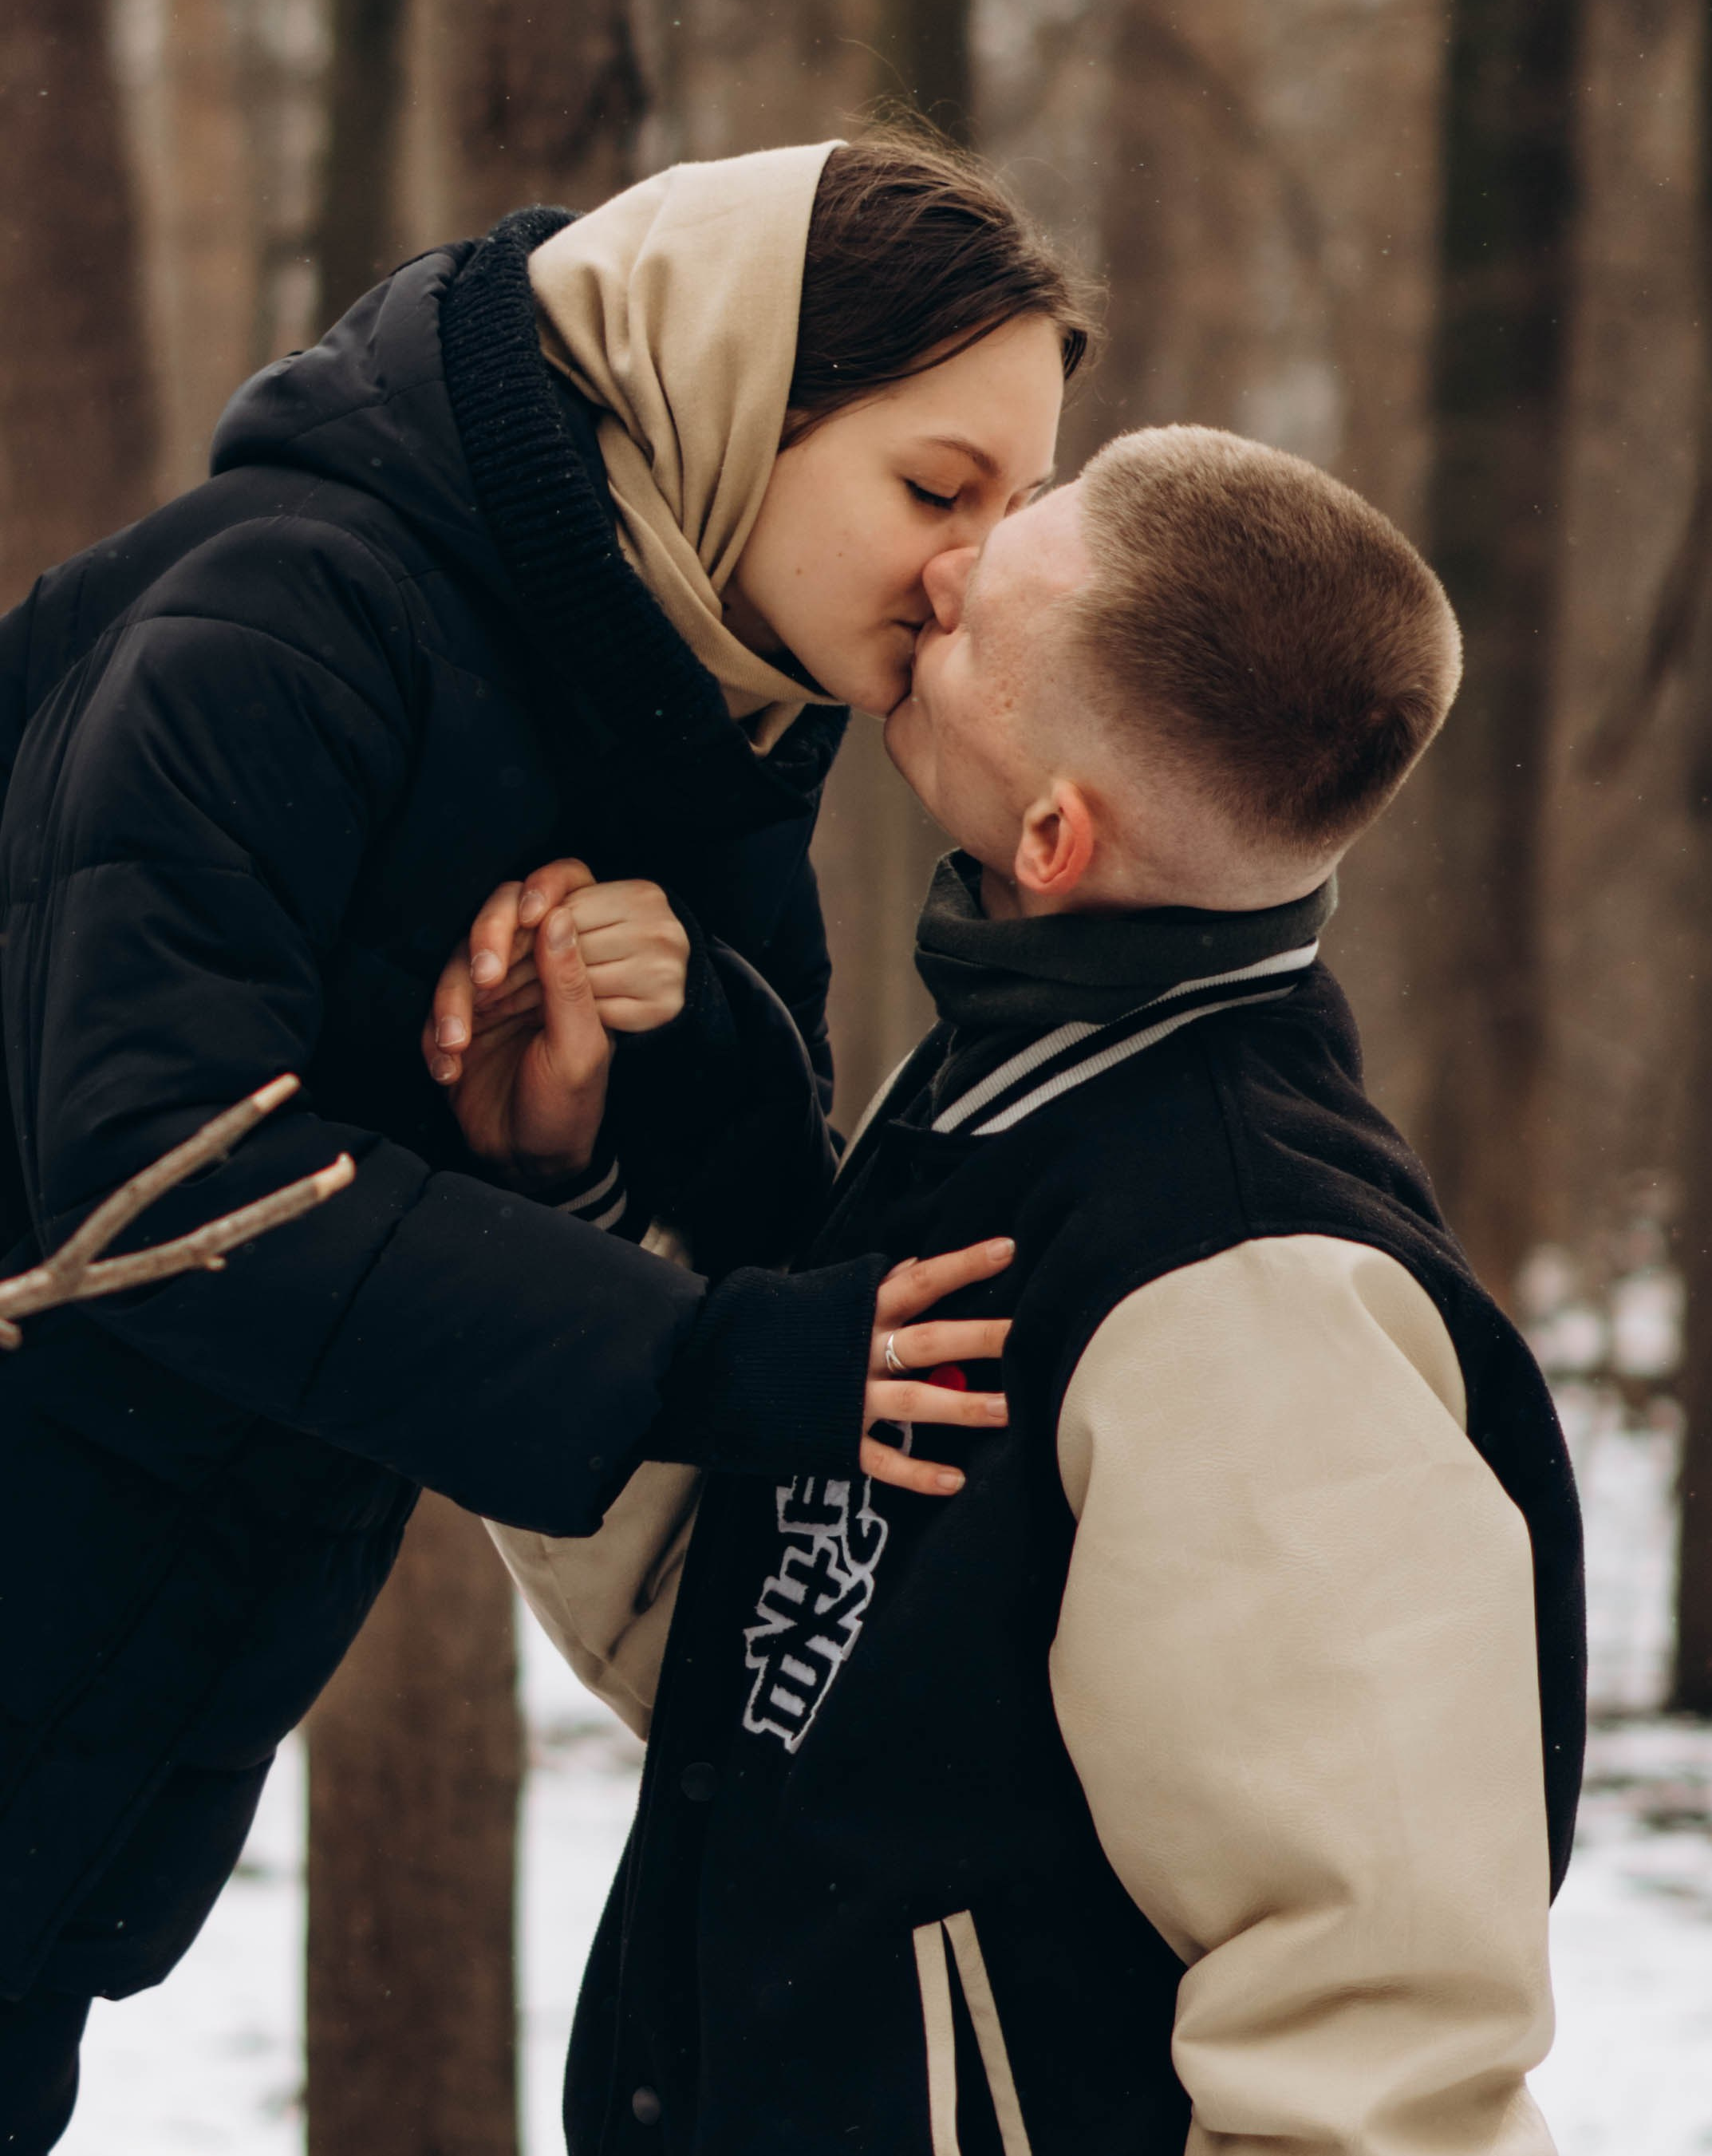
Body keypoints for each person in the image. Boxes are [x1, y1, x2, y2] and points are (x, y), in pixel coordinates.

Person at [0, 132, 1090, 2150]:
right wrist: (713, 1365)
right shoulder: (283, 616)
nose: (975, 570)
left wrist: (623, 1090)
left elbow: (771, 1224)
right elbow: (151, 1182)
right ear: (721, 404)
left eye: (1022, 508)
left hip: (123, 1690)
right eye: (936, 487)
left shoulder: (714, 734)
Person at [494, 425, 1586, 2156]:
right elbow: (798, 1650)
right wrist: (574, 1211)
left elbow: (1376, 2041)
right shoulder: (1019, 1100)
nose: (932, 570)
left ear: (1057, 834)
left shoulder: (1245, 1293)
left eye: (978, 614)